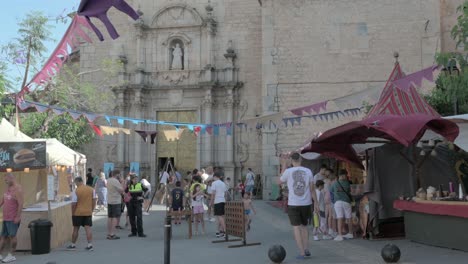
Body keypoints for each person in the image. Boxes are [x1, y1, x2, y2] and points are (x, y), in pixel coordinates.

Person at [278, 153, 318, 260]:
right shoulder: (308, 171)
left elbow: (279, 181)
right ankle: (306, 249)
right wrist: (317, 204)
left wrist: (284, 166)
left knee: (296, 228)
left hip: (294, 204)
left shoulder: (288, 171)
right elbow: (312, 189)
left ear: (291, 160)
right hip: (306, 203)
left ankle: (302, 253)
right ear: (301, 159)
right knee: (304, 227)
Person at [67, 177, 97, 251]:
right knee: (88, 228)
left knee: (76, 229)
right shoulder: (91, 189)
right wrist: (92, 210)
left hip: (78, 212)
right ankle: (90, 245)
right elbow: (94, 200)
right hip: (88, 212)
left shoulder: (76, 191)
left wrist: (72, 213)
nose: (76, 185)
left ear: (77, 182)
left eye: (76, 183)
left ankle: (73, 245)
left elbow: (74, 204)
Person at [0, 173, 23, 263]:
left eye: (6, 180)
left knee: (12, 236)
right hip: (5, 218)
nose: (5, 182)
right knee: (3, 237)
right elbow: (2, 200)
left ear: (11, 178)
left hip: (13, 218)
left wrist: (17, 216)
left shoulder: (18, 189)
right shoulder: (8, 189)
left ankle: (12, 255)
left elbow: (21, 204)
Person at [330, 169, 354, 241]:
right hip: (347, 202)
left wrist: (333, 200)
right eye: (345, 175)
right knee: (349, 217)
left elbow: (331, 191)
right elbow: (351, 192)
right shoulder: (348, 183)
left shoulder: (334, 183)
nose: (346, 176)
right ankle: (350, 233)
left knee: (340, 218)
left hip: (338, 203)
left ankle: (340, 235)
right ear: (343, 175)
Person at [106, 170, 124, 240]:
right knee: (114, 218)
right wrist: (122, 182)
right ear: (117, 175)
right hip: (115, 201)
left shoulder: (108, 180)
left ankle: (109, 233)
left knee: (110, 217)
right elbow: (121, 190)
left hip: (110, 200)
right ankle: (112, 234)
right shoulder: (115, 181)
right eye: (119, 175)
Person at [210, 172, 227, 238]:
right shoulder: (223, 183)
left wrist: (211, 202)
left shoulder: (214, 183)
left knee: (219, 217)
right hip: (222, 200)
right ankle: (219, 231)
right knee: (220, 217)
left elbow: (213, 194)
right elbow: (225, 194)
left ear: (215, 177)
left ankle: (225, 231)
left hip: (217, 201)